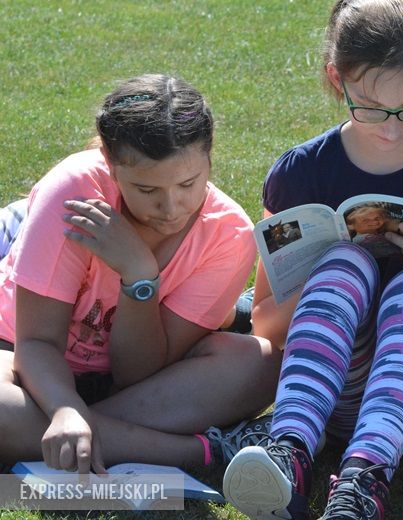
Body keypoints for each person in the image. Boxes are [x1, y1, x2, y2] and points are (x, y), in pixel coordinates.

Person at [222, 1, 403, 519]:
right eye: (370, 108)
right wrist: (323, 276)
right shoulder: (299, 175)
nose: (391, 128)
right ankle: (289, 450)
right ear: (338, 81)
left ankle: (365, 480)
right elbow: (265, 324)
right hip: (338, 397)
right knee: (344, 264)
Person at [0, 74, 283, 474]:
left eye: (188, 183)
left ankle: (48, 435)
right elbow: (36, 342)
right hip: (20, 360)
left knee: (262, 363)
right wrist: (64, 408)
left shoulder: (228, 232)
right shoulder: (75, 192)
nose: (171, 207)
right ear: (110, 164)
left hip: (132, 387)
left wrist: (139, 277)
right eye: (147, 190)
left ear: (210, 158)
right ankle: (202, 453)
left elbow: (138, 373)